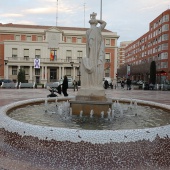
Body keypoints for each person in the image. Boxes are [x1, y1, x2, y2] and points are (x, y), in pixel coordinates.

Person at [81, 12, 107, 88]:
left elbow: (89, 43)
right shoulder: (98, 29)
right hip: (96, 51)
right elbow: (104, 23)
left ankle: (91, 84)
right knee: (95, 64)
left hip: (93, 51)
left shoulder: (89, 31)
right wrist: (97, 20)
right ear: (96, 24)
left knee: (93, 63)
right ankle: (94, 83)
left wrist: (94, 19)